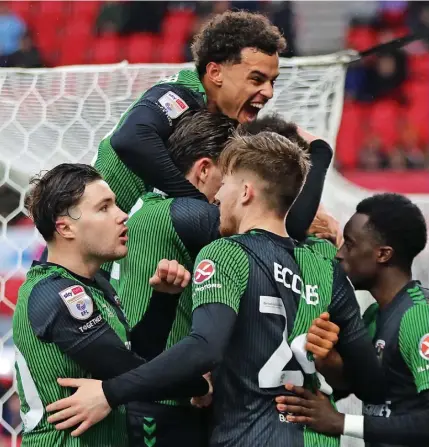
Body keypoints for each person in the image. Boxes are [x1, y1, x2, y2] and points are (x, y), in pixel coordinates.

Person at [46, 133, 385, 446]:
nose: (217, 196)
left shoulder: (226, 253)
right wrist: (329, 371)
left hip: (247, 436)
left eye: (225, 184)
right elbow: (369, 383)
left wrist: (109, 393)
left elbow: (204, 347)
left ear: (245, 192)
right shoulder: (325, 264)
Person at [110, 110, 333, 446]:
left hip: (175, 396)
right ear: (204, 170)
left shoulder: (156, 209)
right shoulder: (184, 214)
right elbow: (283, 226)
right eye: (229, 174)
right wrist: (319, 156)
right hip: (161, 406)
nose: (222, 194)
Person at [13, 164, 209, 446]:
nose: (122, 215)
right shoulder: (57, 294)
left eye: (116, 204)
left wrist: (164, 299)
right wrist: (201, 384)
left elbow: (136, 355)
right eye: (104, 208)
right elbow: (128, 370)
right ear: (65, 227)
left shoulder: (94, 285)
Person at [93, 10, 286, 216]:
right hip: (95, 229)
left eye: (272, 81)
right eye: (256, 79)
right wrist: (194, 200)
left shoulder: (223, 114)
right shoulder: (182, 94)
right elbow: (130, 138)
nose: (269, 92)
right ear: (215, 73)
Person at [275, 193, 429, 447]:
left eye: (350, 244)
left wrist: (341, 422)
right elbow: (368, 391)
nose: (339, 254)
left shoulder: (419, 316)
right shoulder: (372, 316)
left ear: (383, 254)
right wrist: (328, 360)